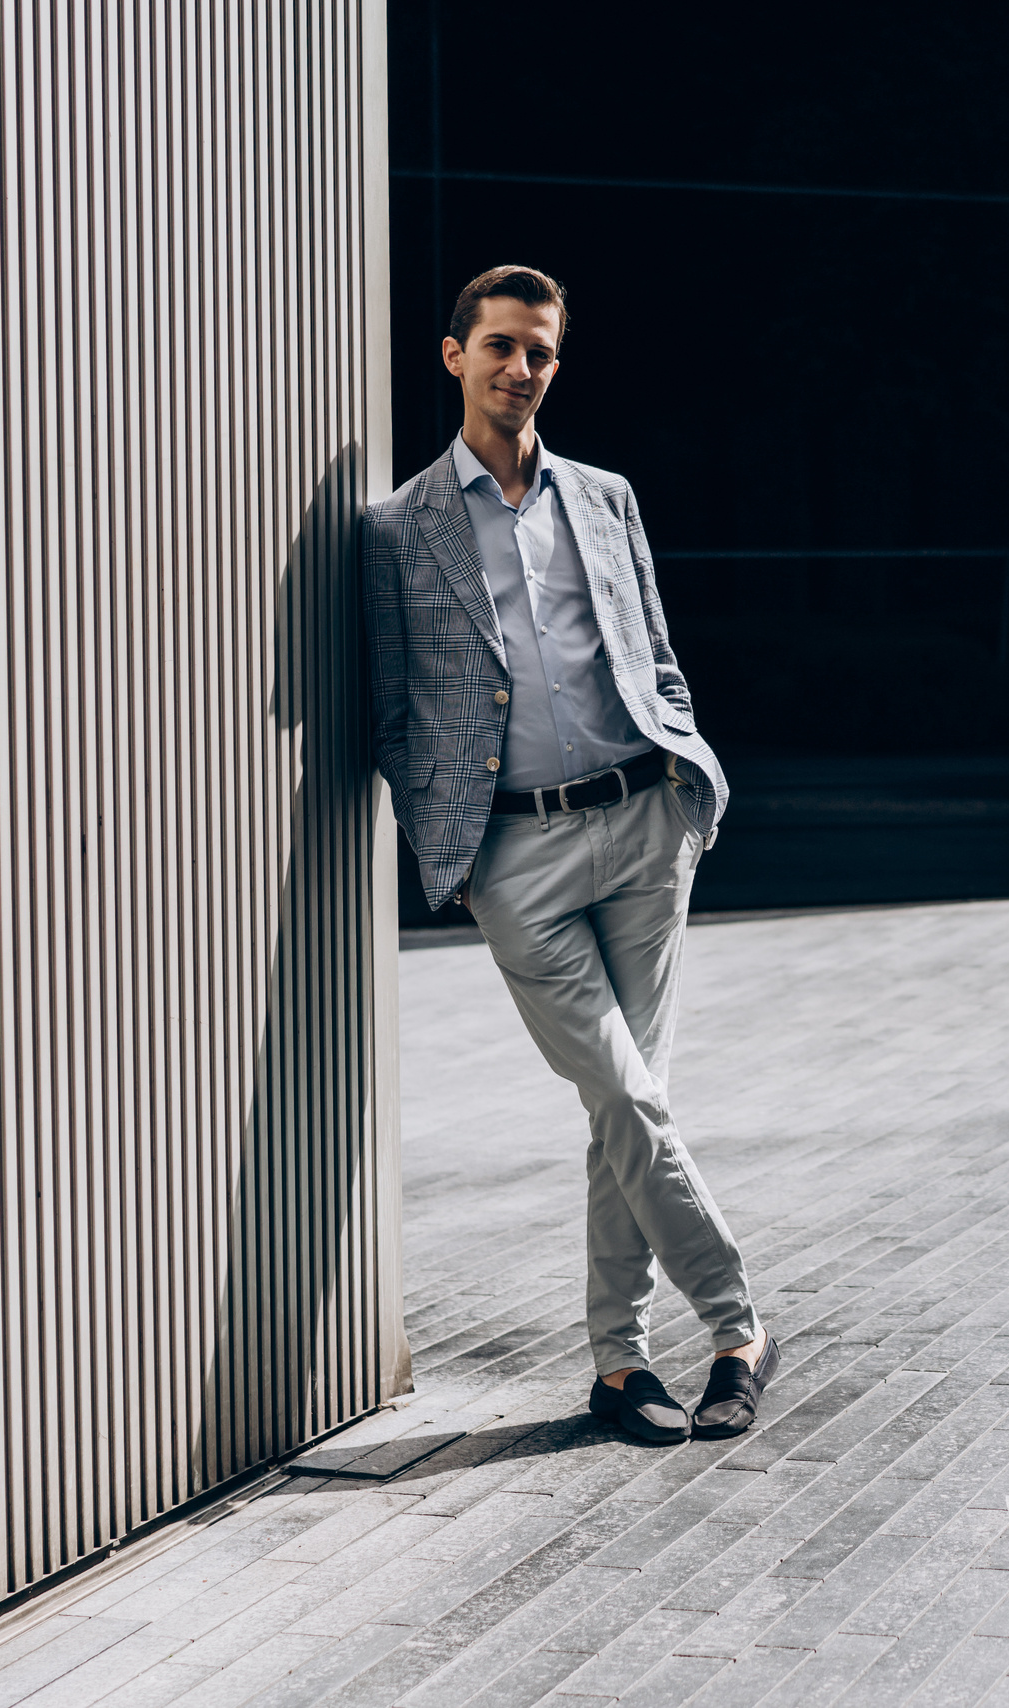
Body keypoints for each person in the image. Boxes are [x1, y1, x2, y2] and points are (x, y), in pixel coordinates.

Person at [364, 265, 778, 1447]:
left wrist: (686, 773)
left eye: (538, 351)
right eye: (498, 345)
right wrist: (455, 839)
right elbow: (395, 710)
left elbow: (650, 646)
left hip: (645, 827)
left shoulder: (604, 495)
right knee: (625, 1092)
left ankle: (617, 1365)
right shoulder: (398, 529)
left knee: (624, 1110)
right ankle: (737, 1323)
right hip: (518, 856)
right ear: (454, 355)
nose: (518, 368)